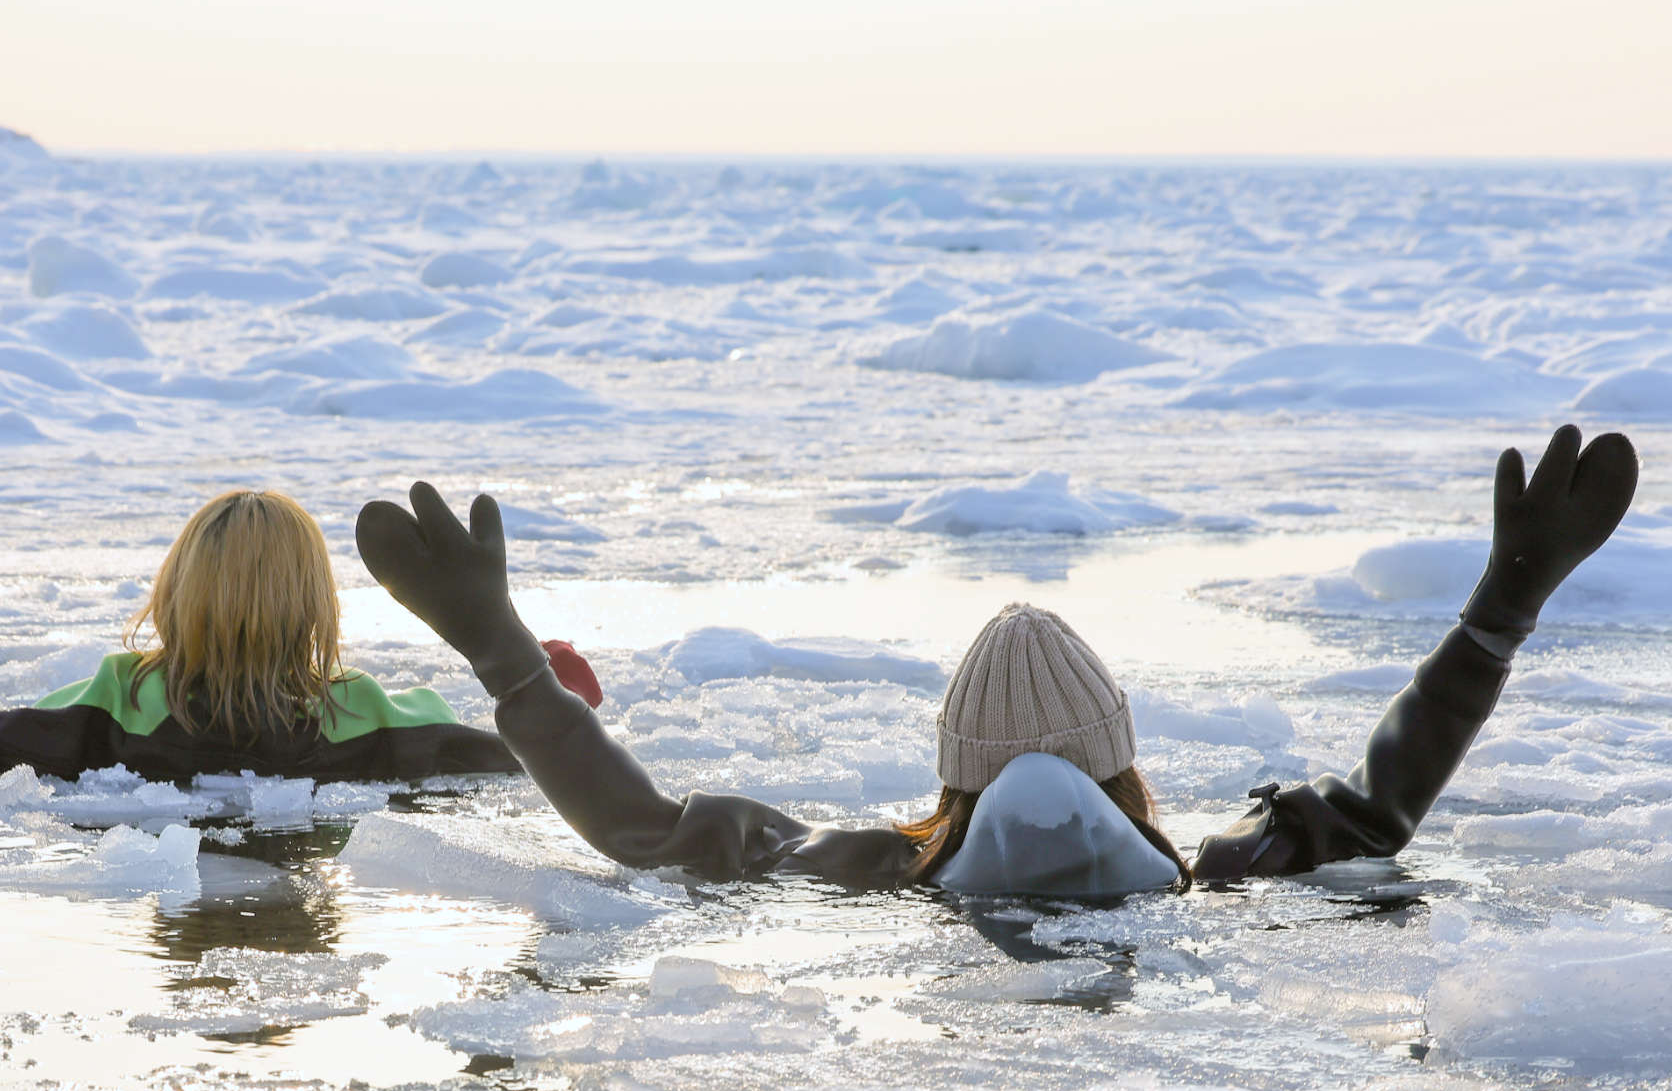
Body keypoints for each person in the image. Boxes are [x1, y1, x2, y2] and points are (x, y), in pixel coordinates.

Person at [353, 425, 1638, 893]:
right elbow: (1379, 805)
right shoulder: (1209, 872)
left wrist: (504, 654)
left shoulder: (859, 865)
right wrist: (1498, 609)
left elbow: (641, 829)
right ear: (1125, 765)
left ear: (952, 775)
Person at [0, 489, 602, 784]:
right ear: (316, 608)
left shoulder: (116, 699)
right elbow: (536, 755)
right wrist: (560, 682)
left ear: (176, 591)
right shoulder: (364, 711)